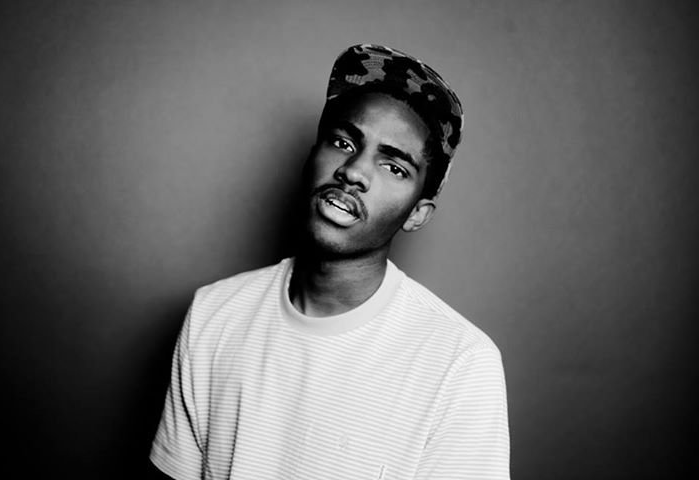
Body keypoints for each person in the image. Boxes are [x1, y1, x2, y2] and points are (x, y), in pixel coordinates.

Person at [149, 44, 510, 479]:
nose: (354, 171)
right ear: (311, 157)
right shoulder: (214, 313)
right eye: (343, 142)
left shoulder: (460, 364)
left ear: (417, 213)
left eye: (394, 167)